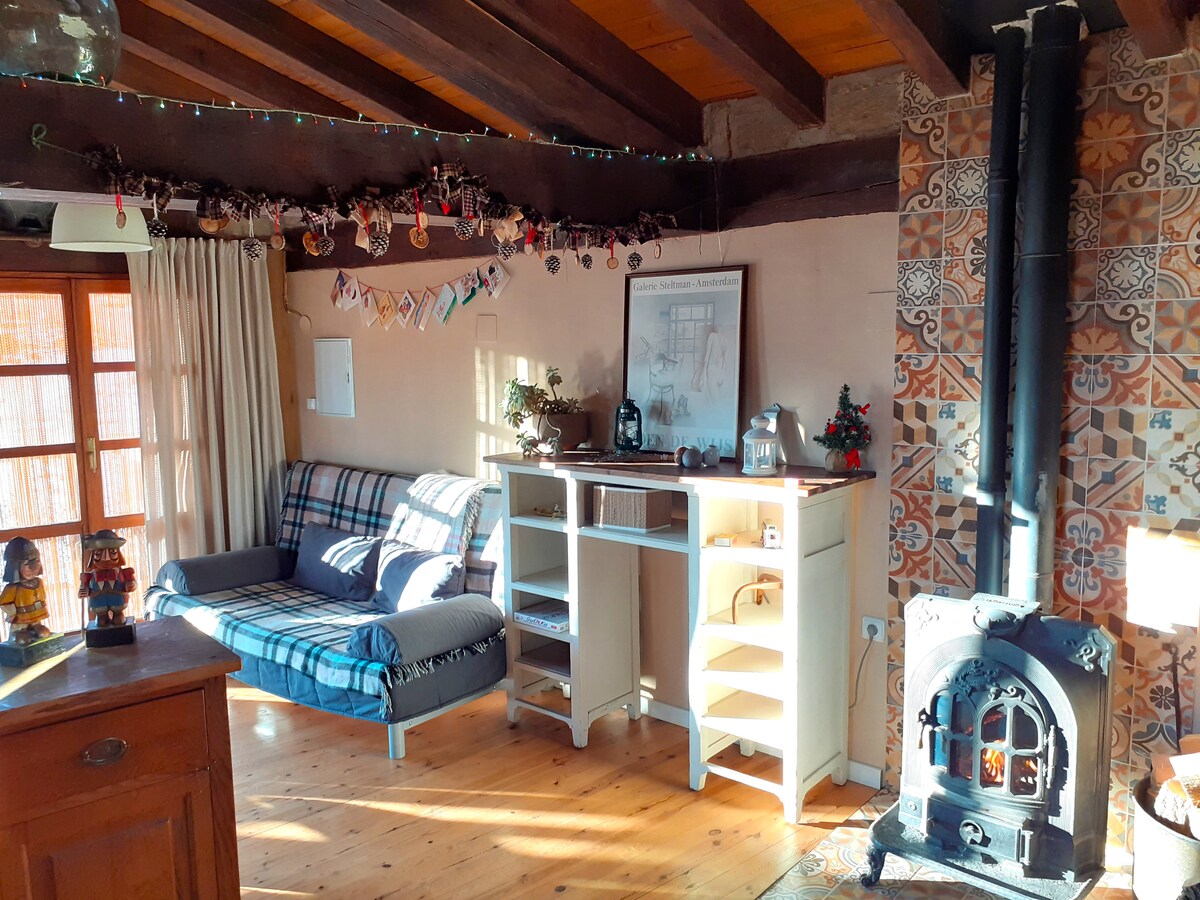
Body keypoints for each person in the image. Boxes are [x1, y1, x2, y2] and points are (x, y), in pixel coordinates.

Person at [79, 530, 137, 628]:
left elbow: (133, 583)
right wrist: (83, 590)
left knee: (118, 621)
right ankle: (101, 616)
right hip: (98, 602)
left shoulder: (126, 572)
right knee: (101, 623)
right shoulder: (88, 576)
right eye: (98, 553)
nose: (106, 559)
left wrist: (132, 585)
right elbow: (84, 587)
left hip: (118, 601)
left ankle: (118, 614)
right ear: (92, 556)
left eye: (112, 552)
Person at [1, 537, 52, 645]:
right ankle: (17, 633)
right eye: (27, 563)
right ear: (14, 566)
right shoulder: (12, 588)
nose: (34, 567)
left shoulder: (39, 582)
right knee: (23, 640)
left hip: (36, 617)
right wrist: (13, 614)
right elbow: (4, 603)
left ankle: (36, 627)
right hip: (20, 619)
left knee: (43, 633)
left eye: (36, 561)